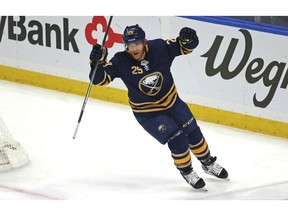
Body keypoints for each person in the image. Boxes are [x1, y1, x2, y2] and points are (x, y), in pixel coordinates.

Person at [88, 24, 228, 190]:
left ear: (144, 42)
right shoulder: (120, 61)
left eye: (137, 44)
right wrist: (95, 62)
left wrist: (189, 38)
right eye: (130, 45)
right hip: (149, 114)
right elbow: (98, 79)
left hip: (173, 102)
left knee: (193, 133)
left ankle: (208, 163)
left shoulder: (159, 48)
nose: (133, 49)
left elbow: (186, 47)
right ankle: (187, 171)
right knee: (178, 138)